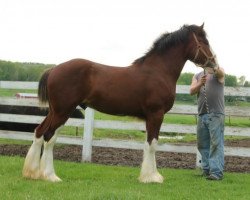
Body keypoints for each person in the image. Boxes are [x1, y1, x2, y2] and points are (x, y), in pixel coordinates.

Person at [190, 66, 225, 180]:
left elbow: (221, 74)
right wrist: (200, 83)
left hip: (216, 114)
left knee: (216, 143)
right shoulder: (197, 76)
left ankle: (216, 173)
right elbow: (191, 91)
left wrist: (215, 67)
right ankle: (206, 169)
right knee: (202, 144)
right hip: (202, 114)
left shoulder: (217, 72)